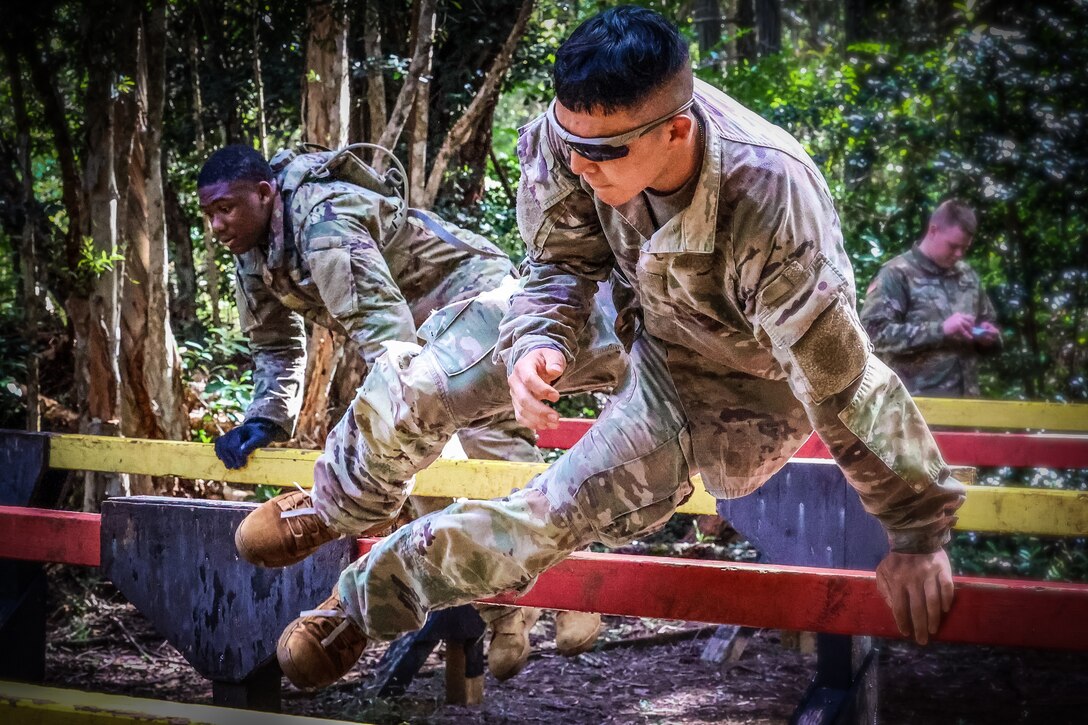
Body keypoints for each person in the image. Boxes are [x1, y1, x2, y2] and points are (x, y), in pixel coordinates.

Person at [264, 6, 967, 691]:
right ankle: (336, 501)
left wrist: (917, 534)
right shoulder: (577, 138)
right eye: (570, 140)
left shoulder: (774, 206)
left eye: (601, 151)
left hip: (727, 378)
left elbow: (845, 386)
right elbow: (558, 260)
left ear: (676, 132)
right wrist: (538, 339)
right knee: (430, 367)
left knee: (554, 508)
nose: (579, 162)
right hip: (628, 296)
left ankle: (362, 602)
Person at [197, 144, 614, 681]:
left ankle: (572, 592)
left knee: (485, 456)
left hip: (472, 300)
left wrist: (392, 429)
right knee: (432, 477)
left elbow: (383, 332)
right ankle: (510, 611)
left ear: (263, 193)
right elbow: (276, 347)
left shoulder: (323, 222)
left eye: (225, 208)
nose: (216, 224)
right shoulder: (255, 257)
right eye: (208, 213)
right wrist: (265, 416)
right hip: (420, 333)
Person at [860, 200, 1002, 396]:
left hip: (967, 408)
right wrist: (940, 330)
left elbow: (988, 323)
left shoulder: (967, 276)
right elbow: (871, 334)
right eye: (953, 246)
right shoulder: (896, 274)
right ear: (933, 230)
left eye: (964, 248)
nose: (959, 254)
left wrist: (988, 337)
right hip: (914, 409)